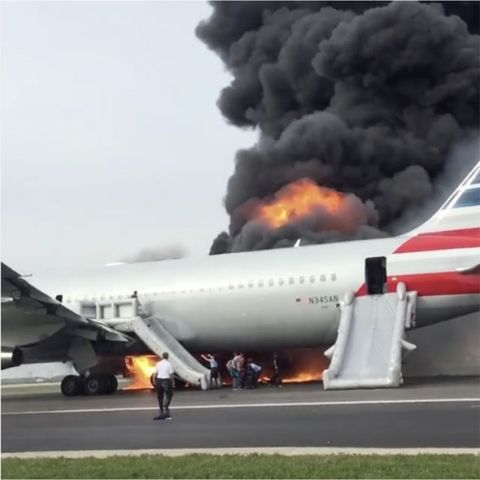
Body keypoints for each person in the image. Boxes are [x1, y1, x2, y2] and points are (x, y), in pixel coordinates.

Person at [153, 352, 175, 420]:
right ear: (167, 357)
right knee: (169, 394)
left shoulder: (158, 363)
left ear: (162, 357)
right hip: (166, 381)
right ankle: (166, 405)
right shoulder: (169, 364)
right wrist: (173, 383)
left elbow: (155, 373)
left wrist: (154, 381)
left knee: (160, 395)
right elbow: (171, 375)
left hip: (159, 380)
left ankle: (161, 408)